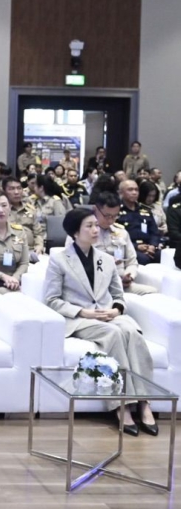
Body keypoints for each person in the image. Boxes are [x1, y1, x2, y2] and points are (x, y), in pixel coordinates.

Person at [44, 208, 156, 436]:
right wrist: (84, 312)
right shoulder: (59, 260)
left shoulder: (106, 259)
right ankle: (121, 404)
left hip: (109, 315)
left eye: (96, 225)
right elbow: (52, 300)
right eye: (89, 226)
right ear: (75, 232)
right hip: (80, 319)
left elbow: (118, 295)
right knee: (113, 334)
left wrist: (116, 310)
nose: (96, 230)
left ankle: (144, 401)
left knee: (131, 331)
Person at [73, 192, 156, 295]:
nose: (110, 220)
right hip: (94, 286)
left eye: (114, 216)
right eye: (107, 216)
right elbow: (73, 264)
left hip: (121, 284)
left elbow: (132, 262)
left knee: (152, 292)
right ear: (95, 209)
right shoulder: (81, 232)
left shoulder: (121, 232)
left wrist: (129, 276)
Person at [117, 180, 160, 264]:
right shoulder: (117, 211)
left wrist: (152, 246)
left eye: (136, 190)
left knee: (163, 256)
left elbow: (154, 232)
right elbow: (116, 236)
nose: (134, 192)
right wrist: (136, 246)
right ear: (121, 192)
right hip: (129, 247)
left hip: (148, 246)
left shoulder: (145, 210)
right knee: (143, 259)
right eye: (130, 190)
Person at [2, 176, 44, 259]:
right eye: (12, 189)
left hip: (31, 250)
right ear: (4, 191)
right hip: (7, 251)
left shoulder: (30, 209)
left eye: (19, 188)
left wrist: (39, 246)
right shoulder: (0, 210)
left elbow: (38, 233)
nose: (16, 192)